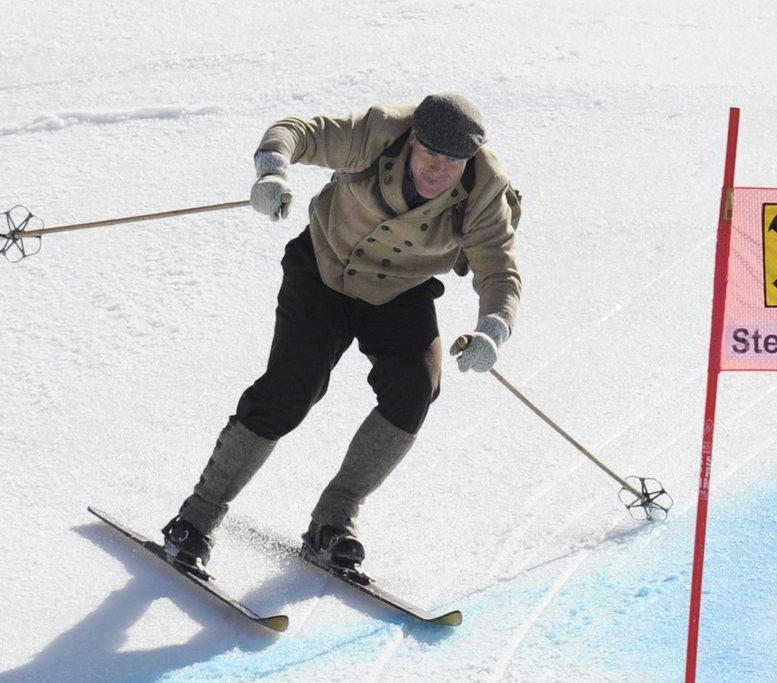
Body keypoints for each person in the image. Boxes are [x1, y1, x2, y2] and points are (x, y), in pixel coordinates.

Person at [161, 94, 521, 575]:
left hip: (399, 292)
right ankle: (196, 518)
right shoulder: (378, 134)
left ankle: (334, 522)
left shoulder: (485, 192)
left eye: (453, 163)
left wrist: (492, 331)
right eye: (431, 156)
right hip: (323, 271)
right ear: (414, 139)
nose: (438, 171)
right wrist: (272, 171)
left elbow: (500, 273)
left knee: (416, 388)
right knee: (292, 389)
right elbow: (295, 132)